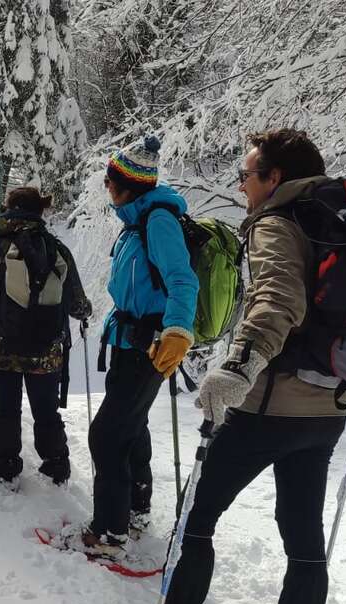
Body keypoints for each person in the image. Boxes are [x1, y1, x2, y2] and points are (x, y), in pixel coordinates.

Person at [156, 128, 346, 604]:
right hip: (330, 409)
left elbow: (278, 299)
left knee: (197, 515)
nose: (241, 186)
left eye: (246, 176)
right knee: (304, 534)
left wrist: (240, 366)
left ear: (274, 178)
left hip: (270, 404)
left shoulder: (278, 222)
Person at [77, 136, 198, 556]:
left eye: (111, 181)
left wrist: (178, 331)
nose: (107, 187)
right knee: (131, 427)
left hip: (151, 344)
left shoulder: (158, 221)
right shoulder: (136, 221)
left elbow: (182, 279)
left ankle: (109, 534)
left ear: (129, 186)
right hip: (130, 342)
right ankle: (135, 509)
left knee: (107, 436)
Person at [0, 187, 92, 485]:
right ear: (40, 211)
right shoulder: (57, 249)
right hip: (46, 350)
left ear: (9, 209)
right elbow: (78, 305)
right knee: (46, 410)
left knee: (6, 408)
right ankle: (56, 466)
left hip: (2, 347)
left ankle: (6, 467)